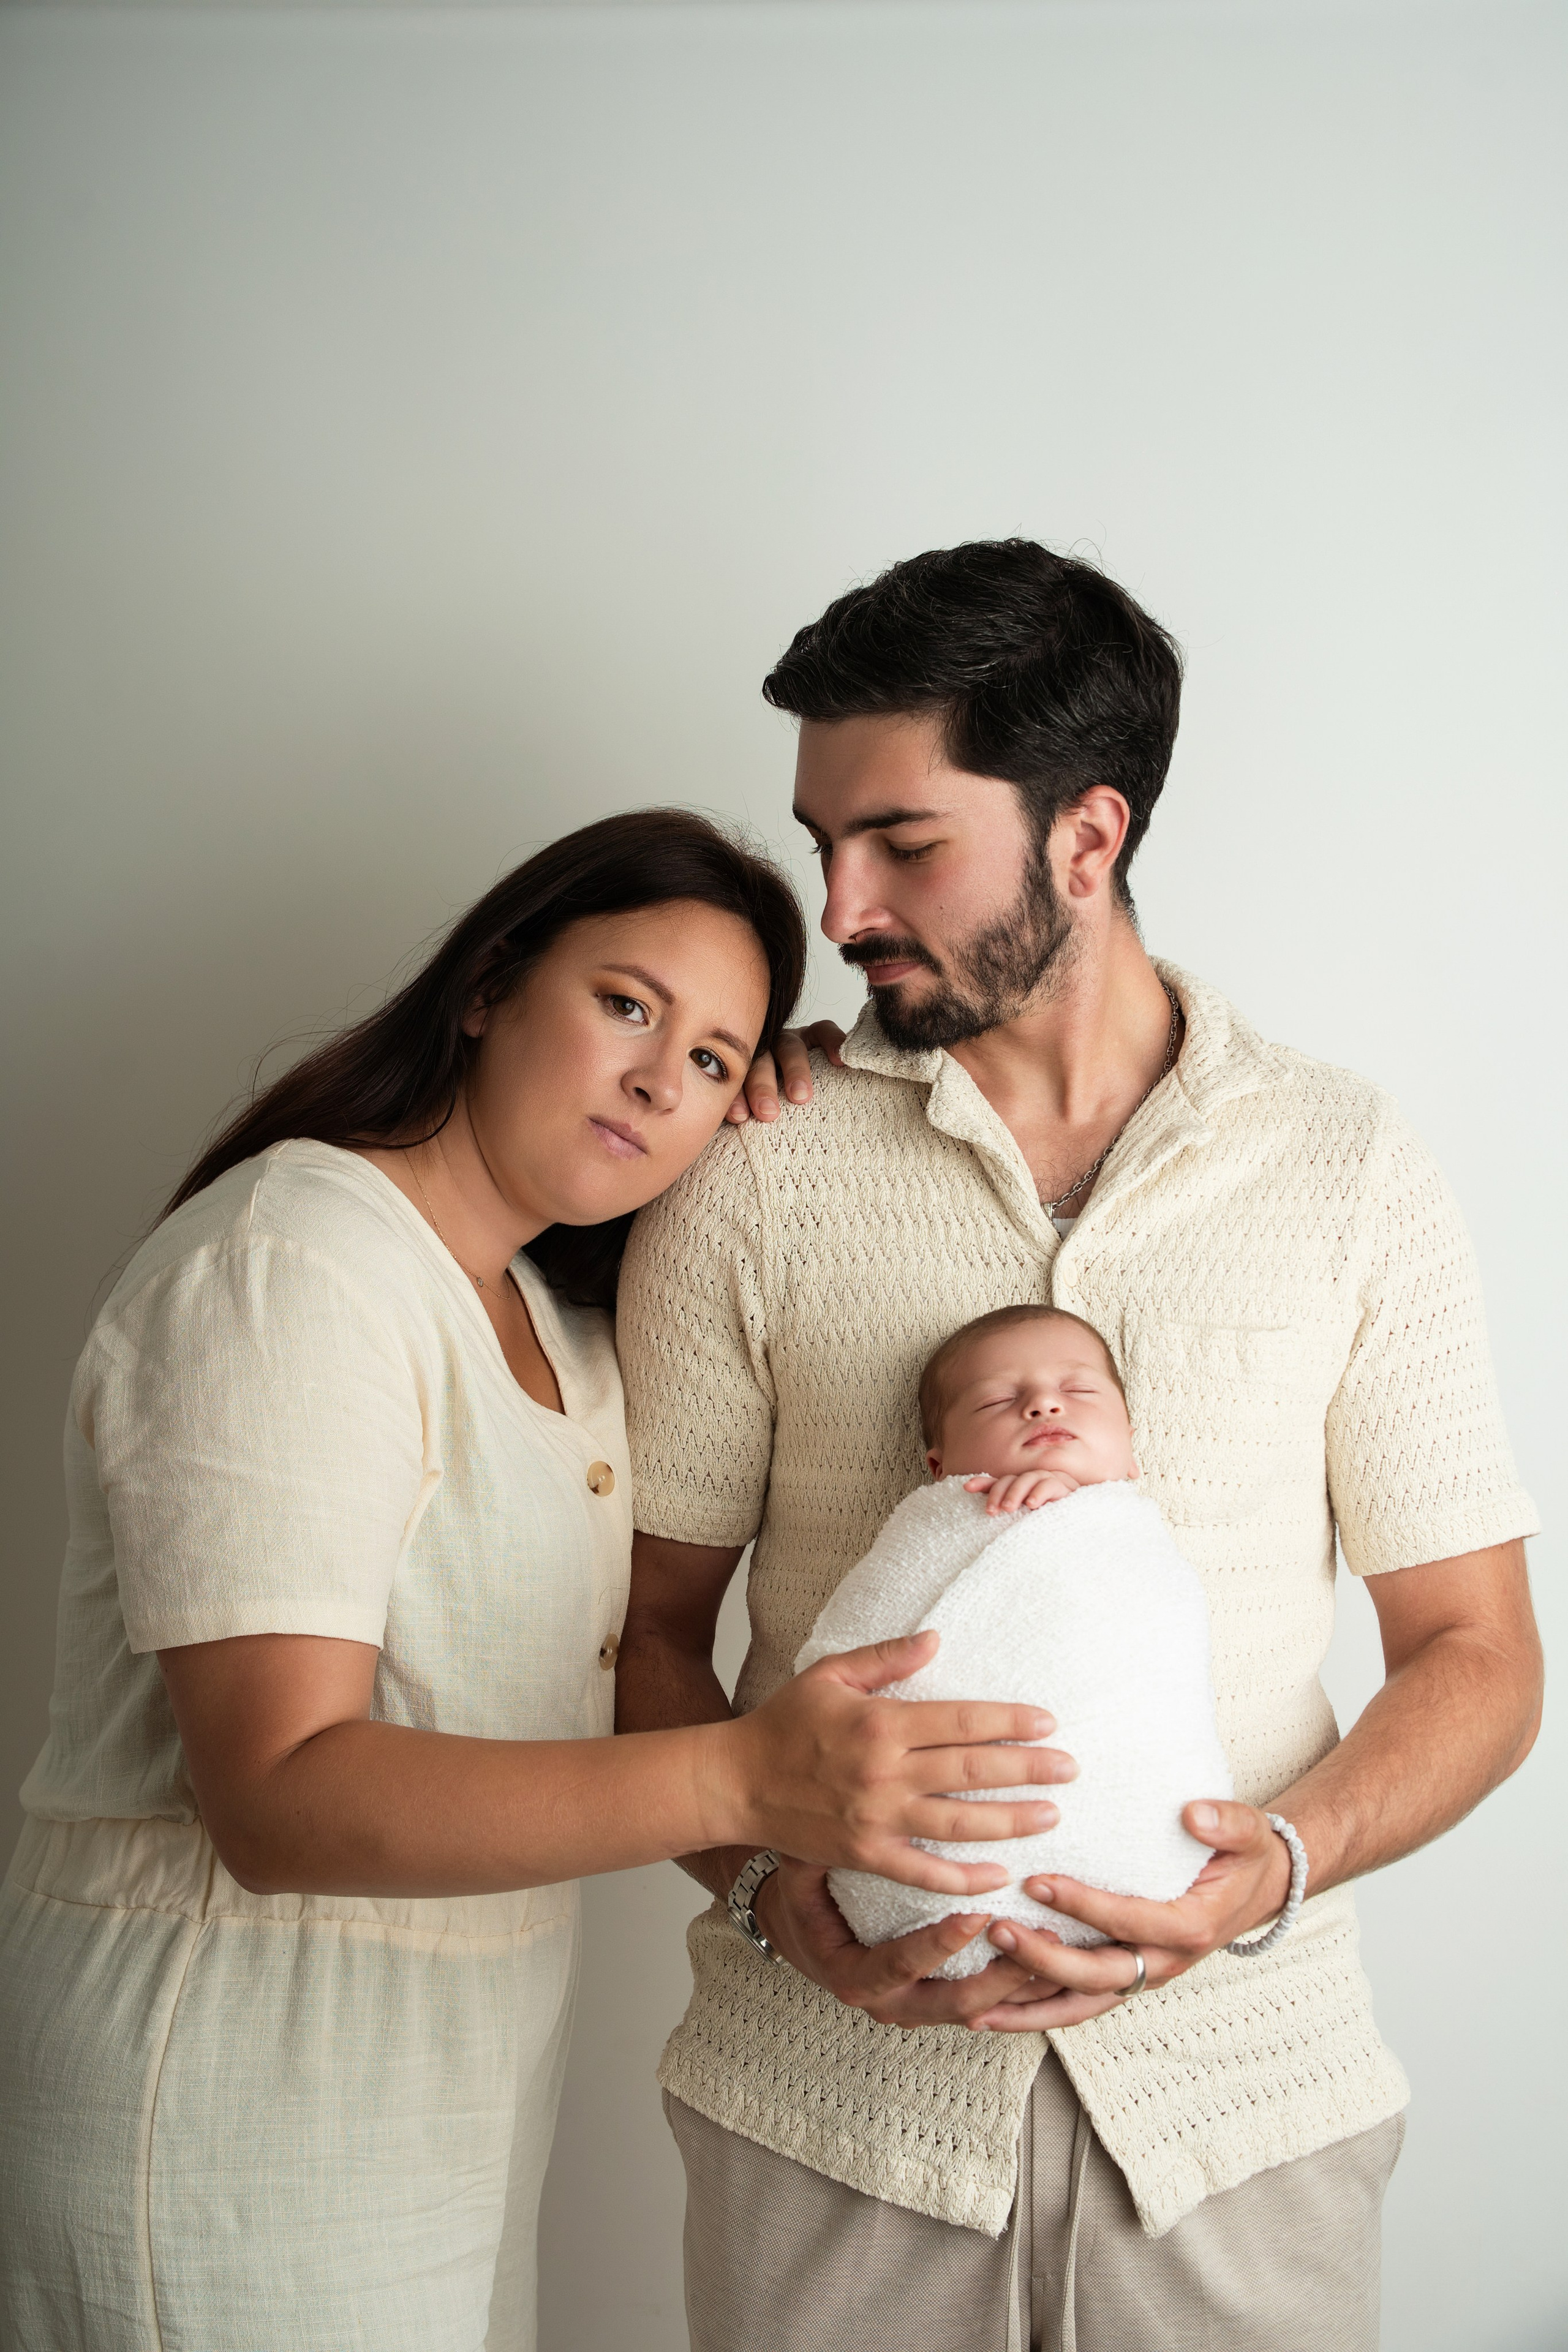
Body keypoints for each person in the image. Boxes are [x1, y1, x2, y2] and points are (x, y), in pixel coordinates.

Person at [614, 543, 1544, 2352]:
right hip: (826, 2128)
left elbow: (1481, 1658)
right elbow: (639, 1635)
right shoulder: (753, 1157)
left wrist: (1260, 1870)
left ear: (1088, 838)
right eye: (821, 843)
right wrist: (763, 1884)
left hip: (1242, 2127)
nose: (840, 905)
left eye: (901, 843)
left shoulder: (1345, 1163)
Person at [0, 808, 1065, 2352]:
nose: (656, 1078)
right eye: (627, 1004)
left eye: (710, 1058)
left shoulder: (558, 1330)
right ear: (490, 982)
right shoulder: (299, 1262)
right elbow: (277, 1794)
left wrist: (788, 1096)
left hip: (435, 2124)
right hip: (221, 2113)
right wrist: (749, 1777)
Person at [796, 1302, 1232, 1978]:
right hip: (919, 1850)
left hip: (1141, 1849)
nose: (1043, 1406)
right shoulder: (935, 1524)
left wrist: (1072, 1512)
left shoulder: (1133, 1536)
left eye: (1079, 1391)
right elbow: (839, 1669)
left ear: (1130, 1441)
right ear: (939, 1464)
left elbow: (1162, 1672)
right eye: (998, 1401)